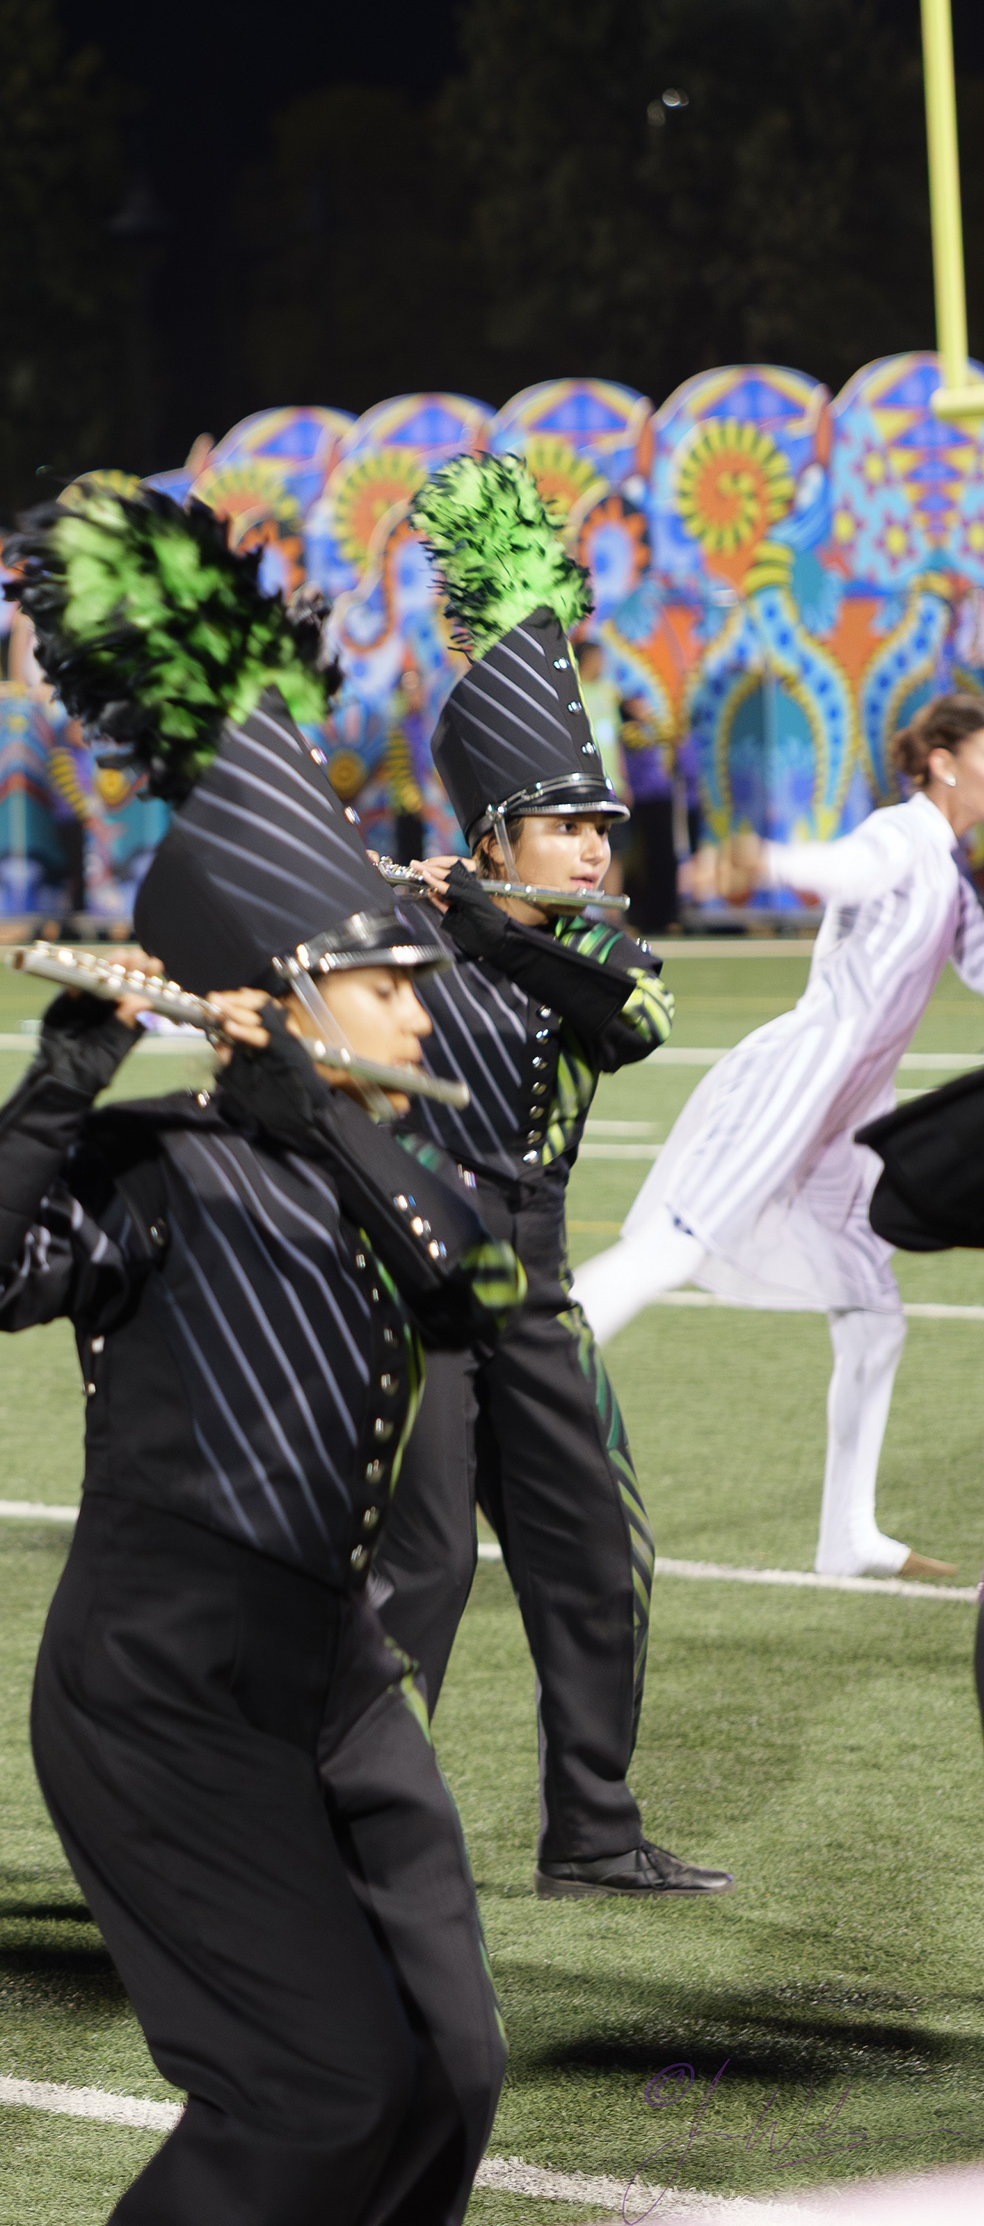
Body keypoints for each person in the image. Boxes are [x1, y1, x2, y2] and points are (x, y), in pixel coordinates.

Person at [0, 473, 512, 2226]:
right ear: (288, 998)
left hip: (330, 1664)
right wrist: (66, 1073)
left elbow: (472, 1287)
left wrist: (313, 1113)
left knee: (452, 2071)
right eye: (385, 982)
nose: (420, 1010)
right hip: (160, 1678)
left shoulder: (398, 1167)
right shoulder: (156, 1170)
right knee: (317, 2091)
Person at [375, 454, 722, 1903]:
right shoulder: (392, 933)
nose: (592, 846)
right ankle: (355, 1834)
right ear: (492, 835)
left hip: (532, 1276)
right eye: (567, 826)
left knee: (599, 1552)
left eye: (600, 828)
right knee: (419, 1571)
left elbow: (625, 1025)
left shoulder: (605, 956)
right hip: (412, 1283)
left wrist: (487, 925)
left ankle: (593, 1832)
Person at [571, 690, 984, 1581]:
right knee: (670, 1249)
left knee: (874, 1314)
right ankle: (500, 1382)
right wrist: (768, 859)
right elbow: (849, 866)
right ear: (944, 762)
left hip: (845, 1120)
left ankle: (848, 1537)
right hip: (797, 1082)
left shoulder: (951, 877)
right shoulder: (903, 834)